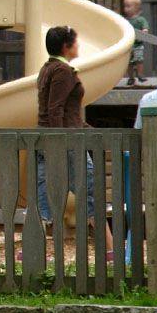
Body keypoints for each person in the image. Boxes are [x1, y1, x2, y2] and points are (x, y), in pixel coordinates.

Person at [35, 25, 113, 255]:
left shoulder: (47, 68)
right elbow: (55, 109)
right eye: (75, 42)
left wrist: (88, 130)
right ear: (66, 47)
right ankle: (111, 249)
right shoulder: (62, 71)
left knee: (44, 193)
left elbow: (66, 112)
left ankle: (33, 246)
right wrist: (61, 141)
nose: (78, 46)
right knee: (89, 190)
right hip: (66, 142)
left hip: (49, 138)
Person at [123, 0, 148, 85]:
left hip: (138, 45)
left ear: (136, 8)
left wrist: (144, 31)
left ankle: (140, 75)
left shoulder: (140, 19)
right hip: (128, 45)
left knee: (139, 60)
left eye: (128, 6)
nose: (125, 8)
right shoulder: (125, 20)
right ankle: (131, 77)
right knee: (129, 62)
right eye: (125, 6)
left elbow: (145, 28)